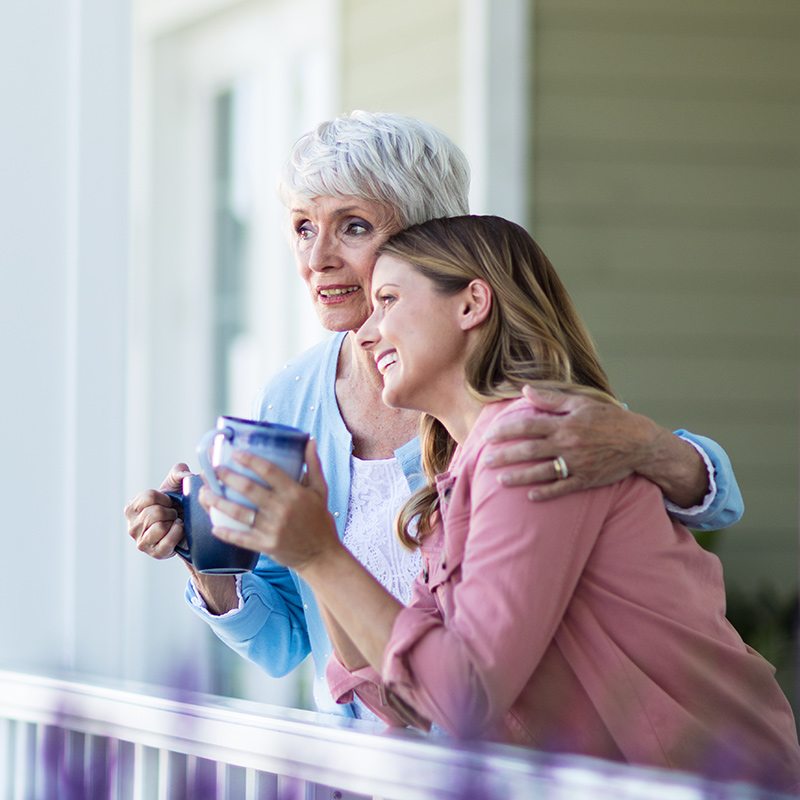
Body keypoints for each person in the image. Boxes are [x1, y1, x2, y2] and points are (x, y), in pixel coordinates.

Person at [124, 111, 743, 717]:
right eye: (303, 228)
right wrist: (211, 560)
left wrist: (648, 444)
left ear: (427, 238)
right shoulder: (290, 399)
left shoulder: (501, 403)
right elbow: (291, 638)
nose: (318, 260)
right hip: (382, 746)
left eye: (354, 226)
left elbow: (692, 502)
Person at [206, 215, 800, 792]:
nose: (365, 332)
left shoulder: (537, 441)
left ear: (471, 304)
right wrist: (317, 550)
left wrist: (319, 556)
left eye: (387, 300)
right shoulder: (455, 482)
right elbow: (401, 698)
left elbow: (462, 696)